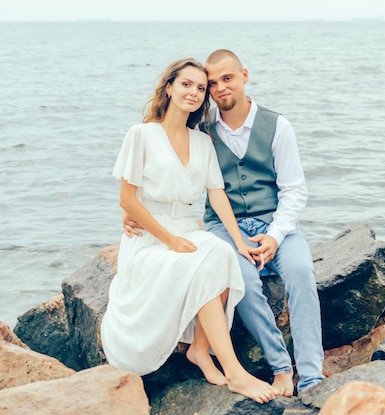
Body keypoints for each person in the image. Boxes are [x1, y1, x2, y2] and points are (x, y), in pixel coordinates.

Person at [101, 58, 277, 404]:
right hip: (149, 239)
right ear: (168, 87)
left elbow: (217, 194)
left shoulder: (202, 142)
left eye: (200, 88)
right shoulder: (142, 134)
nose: (194, 93)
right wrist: (168, 240)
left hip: (185, 228)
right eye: (186, 84)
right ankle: (236, 372)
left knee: (222, 254)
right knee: (197, 262)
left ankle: (200, 349)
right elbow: (128, 200)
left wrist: (240, 242)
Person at [200, 49, 325, 396]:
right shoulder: (201, 129)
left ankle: (312, 377)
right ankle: (281, 369)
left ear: (244, 75)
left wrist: (273, 236)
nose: (220, 88)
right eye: (212, 84)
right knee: (241, 281)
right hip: (224, 227)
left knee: (301, 272)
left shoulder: (277, 125)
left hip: (275, 223)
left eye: (227, 78)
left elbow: (294, 190)